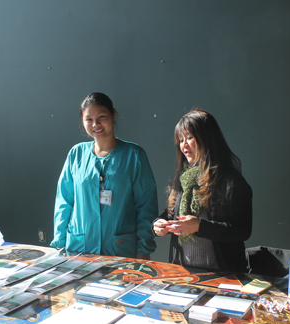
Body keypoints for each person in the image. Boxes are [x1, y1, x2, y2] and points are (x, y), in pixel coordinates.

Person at [50, 92, 158, 259]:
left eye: (102, 117)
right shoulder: (76, 154)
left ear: (113, 114)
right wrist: (59, 243)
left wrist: (144, 249)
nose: (96, 124)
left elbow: (146, 207)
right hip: (79, 249)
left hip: (121, 250)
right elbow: (64, 201)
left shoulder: (134, 155)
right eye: (89, 119)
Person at [153, 109, 252, 272]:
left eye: (190, 137)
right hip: (183, 273)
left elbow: (242, 231)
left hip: (222, 275)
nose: (183, 145)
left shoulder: (231, 181)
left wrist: (199, 226)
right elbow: (172, 213)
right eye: (181, 139)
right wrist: (157, 224)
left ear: (207, 138)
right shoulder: (184, 178)